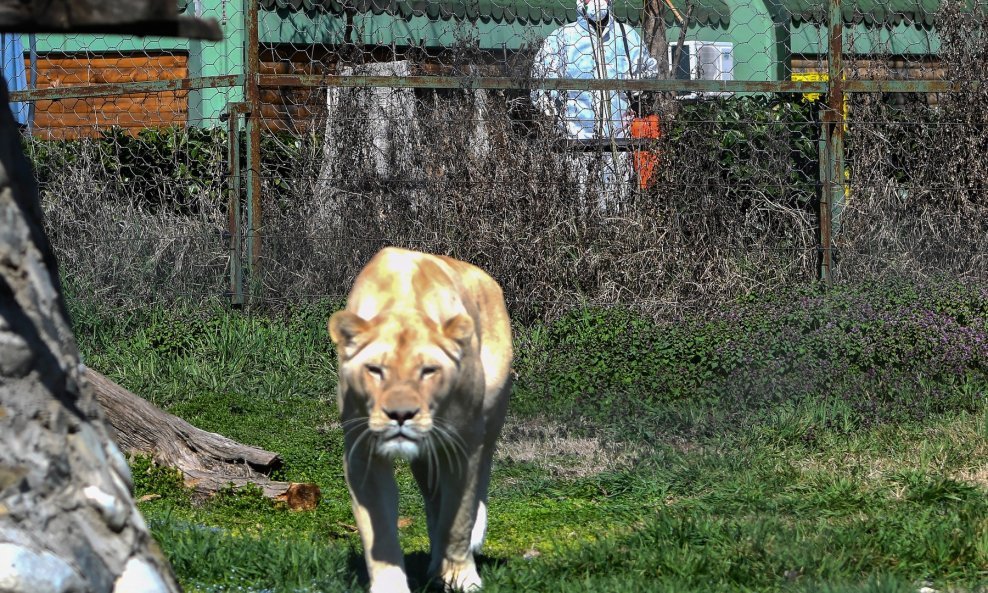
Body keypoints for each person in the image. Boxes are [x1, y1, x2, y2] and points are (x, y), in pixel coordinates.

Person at [531, 0, 659, 210]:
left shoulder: (627, 37)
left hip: (619, 147)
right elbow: (539, 88)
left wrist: (637, 93)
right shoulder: (561, 39)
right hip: (575, 148)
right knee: (579, 210)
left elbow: (647, 76)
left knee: (617, 207)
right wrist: (559, 124)